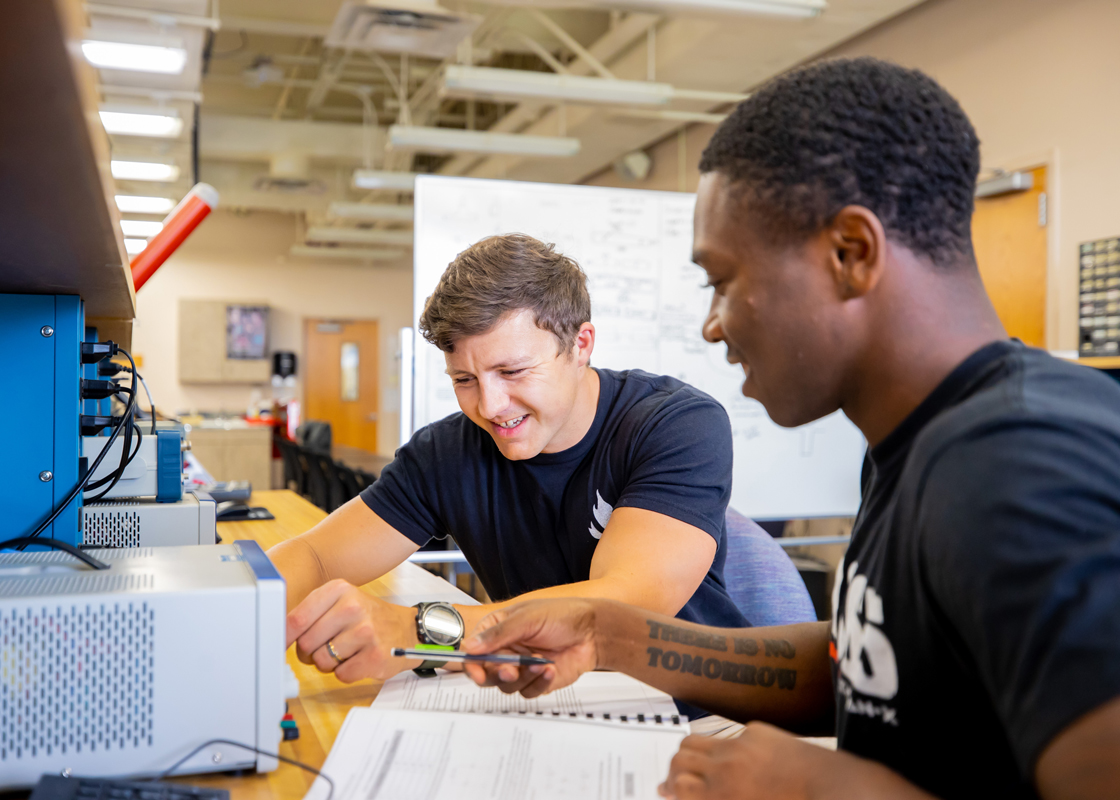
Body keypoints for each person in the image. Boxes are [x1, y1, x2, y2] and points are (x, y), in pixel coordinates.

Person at [462, 57, 1120, 800]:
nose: (713, 325)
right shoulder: (917, 447)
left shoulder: (1017, 462)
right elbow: (865, 665)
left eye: (724, 281)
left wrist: (825, 790)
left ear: (851, 255)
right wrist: (610, 634)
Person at [271, 233, 749, 684]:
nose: (490, 406)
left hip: (688, 710)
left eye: (513, 371)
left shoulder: (676, 424)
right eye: (464, 380)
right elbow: (314, 555)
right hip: (541, 702)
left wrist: (425, 633)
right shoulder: (445, 454)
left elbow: (624, 601)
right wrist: (231, 608)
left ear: (580, 345)